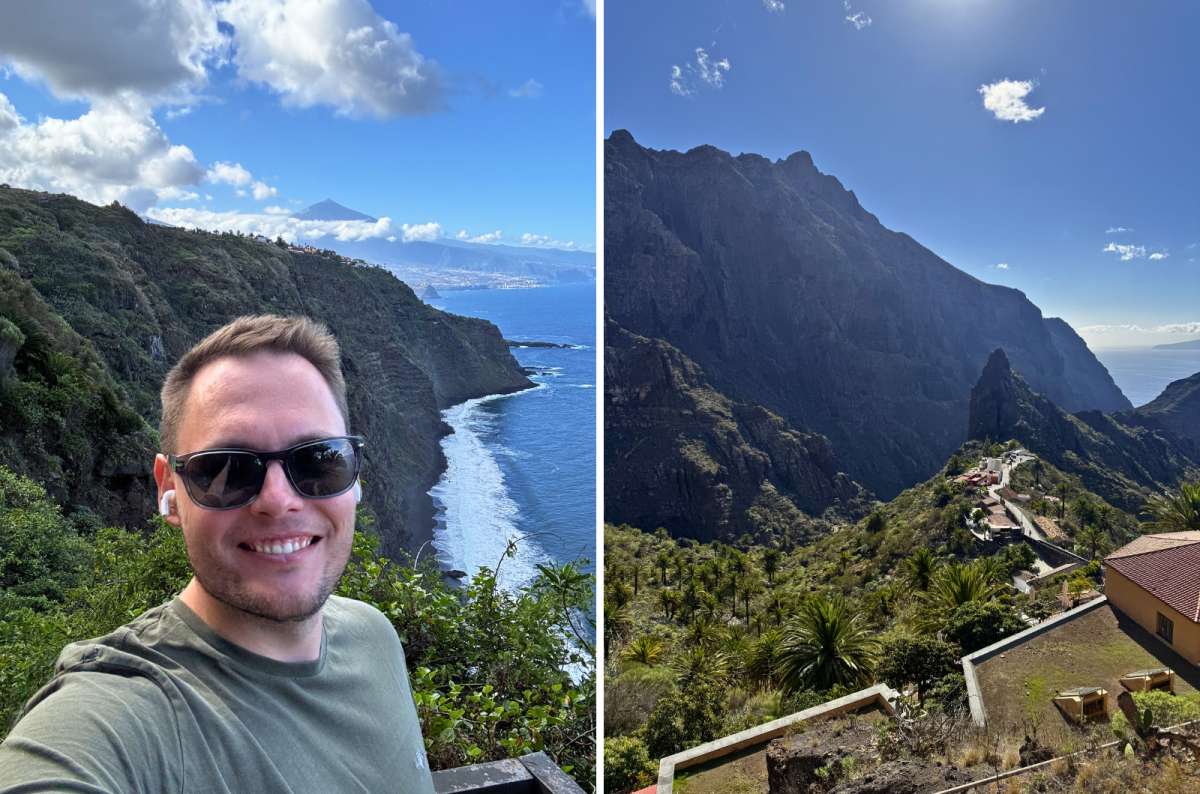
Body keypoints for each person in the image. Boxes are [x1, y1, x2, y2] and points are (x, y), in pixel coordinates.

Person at [0, 315, 436, 793]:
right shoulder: (125, 714)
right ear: (169, 490)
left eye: (317, 460)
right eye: (225, 469)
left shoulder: (374, 635)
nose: (278, 500)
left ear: (354, 476)